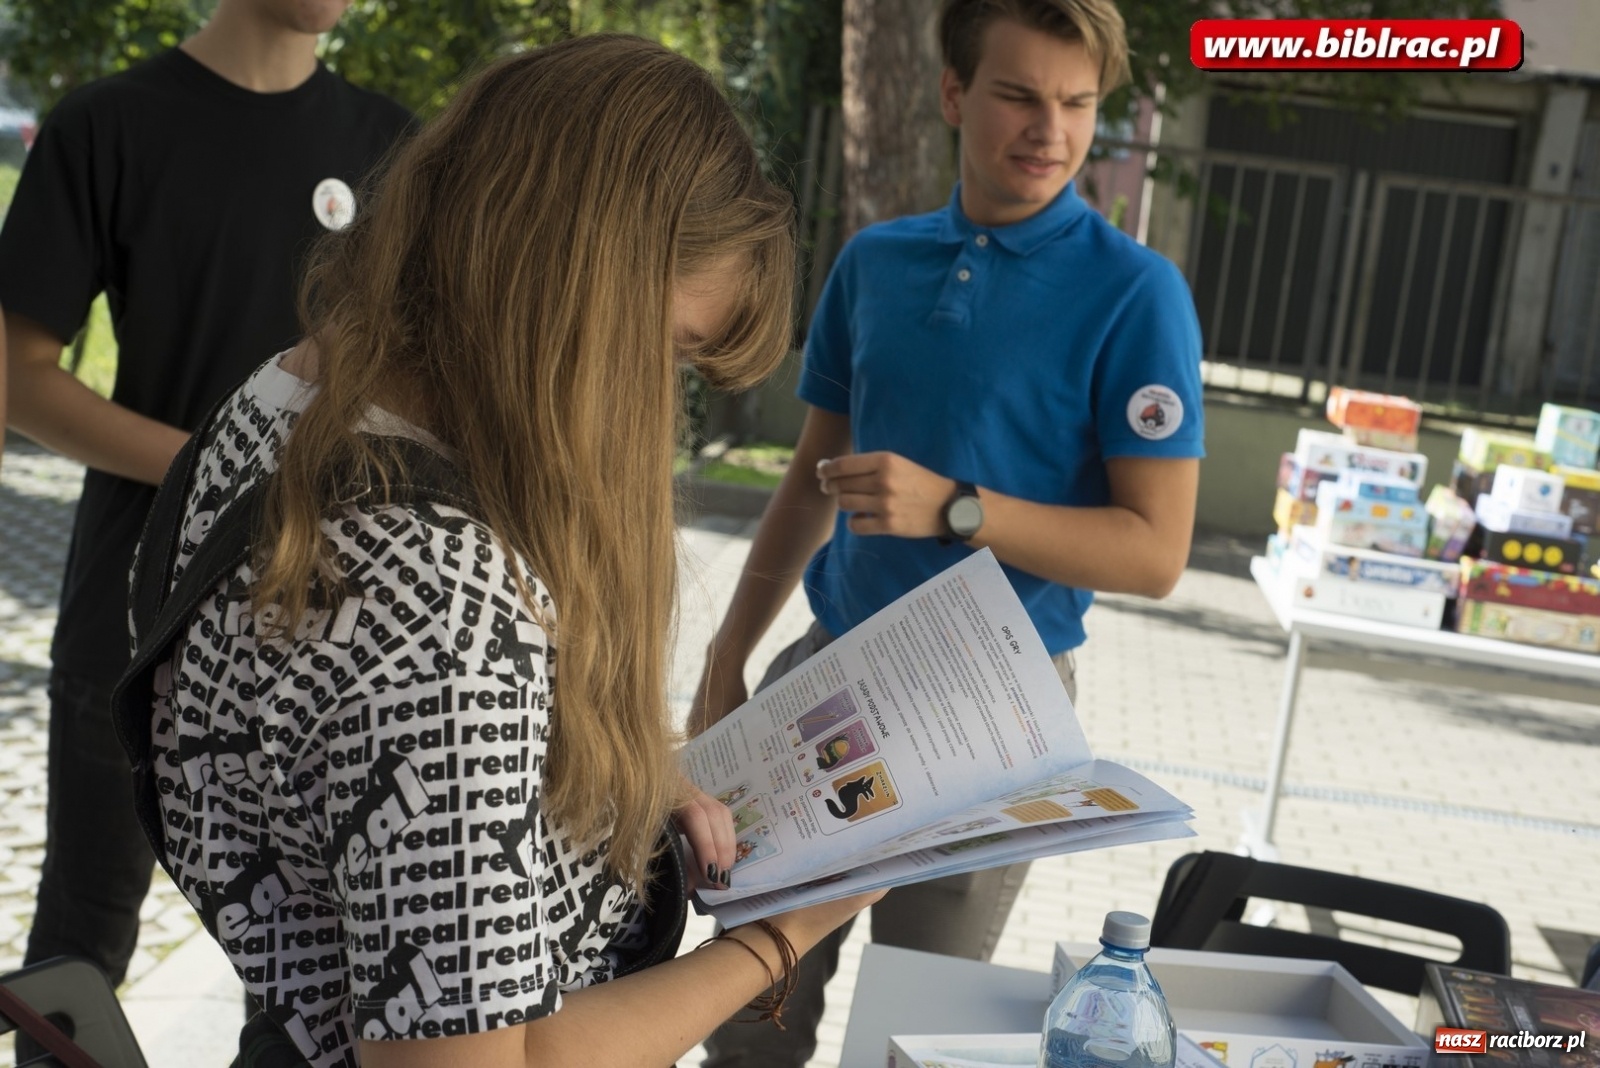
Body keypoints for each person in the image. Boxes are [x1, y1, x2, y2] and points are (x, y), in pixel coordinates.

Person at [124, 34, 879, 1067]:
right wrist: (783, 934)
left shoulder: (290, 394)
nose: (655, 409)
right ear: (560, 287)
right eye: (660, 353)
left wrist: (608, 769)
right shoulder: (440, 612)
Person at [691, 0, 1205, 1063]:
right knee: (744, 1012)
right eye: (1019, 95)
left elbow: (1154, 553)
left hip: (995, 708)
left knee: (913, 1032)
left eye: (1078, 104)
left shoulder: (1136, 294)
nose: (1050, 131)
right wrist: (727, 653)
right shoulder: (874, 263)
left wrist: (958, 510)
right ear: (954, 93)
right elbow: (809, 483)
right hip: (829, 672)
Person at [0, 0, 412, 994]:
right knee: (78, 958)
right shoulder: (108, 123)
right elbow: (17, 377)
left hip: (339, 622)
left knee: (329, 981)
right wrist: (230, 464)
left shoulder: (396, 149)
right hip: (137, 613)